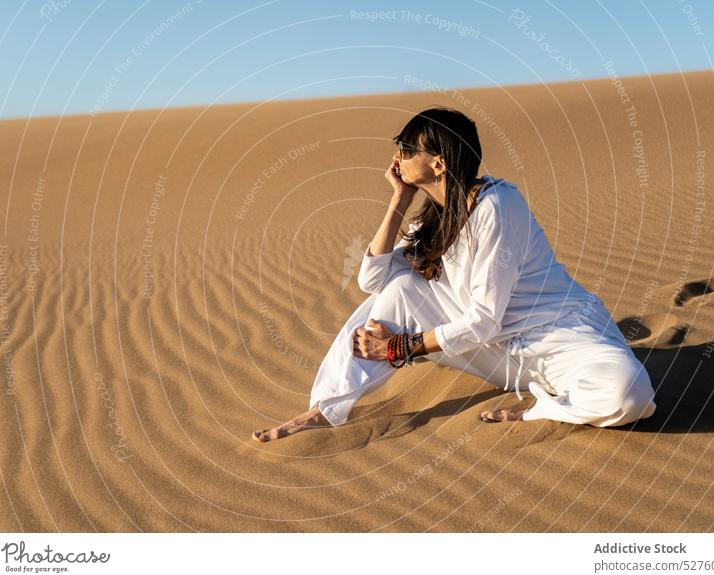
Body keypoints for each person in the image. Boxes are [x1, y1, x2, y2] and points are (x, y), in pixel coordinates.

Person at [252, 107, 657, 442]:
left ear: (439, 163)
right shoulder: (432, 220)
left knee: (629, 396)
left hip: (560, 338)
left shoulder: (498, 207)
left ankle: (544, 405)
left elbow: (483, 318)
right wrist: (399, 198)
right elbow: (371, 281)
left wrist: (399, 348)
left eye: (408, 147)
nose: (397, 153)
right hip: (499, 354)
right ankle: (325, 407)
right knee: (400, 288)